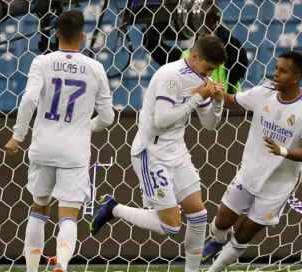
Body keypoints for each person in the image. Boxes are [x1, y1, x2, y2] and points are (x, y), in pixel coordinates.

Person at [89, 35, 228, 272]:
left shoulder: (201, 79)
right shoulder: (170, 75)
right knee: (171, 227)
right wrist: (197, 97)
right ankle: (114, 208)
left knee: (199, 215)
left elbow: (209, 125)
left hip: (177, 152)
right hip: (151, 153)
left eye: (213, 71)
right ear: (194, 57)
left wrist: (217, 102)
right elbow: (161, 120)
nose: (209, 75)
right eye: (207, 68)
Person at [4, 10, 115, 272]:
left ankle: (32, 269)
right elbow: (108, 117)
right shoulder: (95, 68)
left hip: (43, 148)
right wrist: (87, 126)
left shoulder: (41, 62)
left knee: (38, 209)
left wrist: (16, 136)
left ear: (55, 34)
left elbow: (29, 99)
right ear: (83, 36)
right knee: (68, 216)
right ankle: (62, 265)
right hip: (74, 152)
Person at [200, 51, 302, 272]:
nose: (275, 74)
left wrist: (282, 151)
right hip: (248, 174)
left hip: (277, 186)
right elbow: (231, 100)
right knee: (221, 222)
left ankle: (212, 271)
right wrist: (218, 95)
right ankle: (217, 240)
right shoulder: (262, 93)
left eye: (283, 71)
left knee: (244, 233)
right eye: (276, 68)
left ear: (296, 78)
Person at [142, 0, 248, 94]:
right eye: (202, 34)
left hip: (225, 113)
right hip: (190, 114)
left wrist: (215, 25)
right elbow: (151, 43)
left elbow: (239, 55)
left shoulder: (228, 62)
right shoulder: (183, 59)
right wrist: (157, 16)